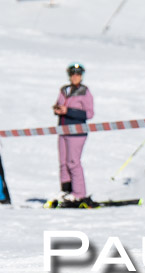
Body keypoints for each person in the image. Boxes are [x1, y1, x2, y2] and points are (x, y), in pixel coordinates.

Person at [53, 63, 95, 207]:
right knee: (63, 163)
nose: (75, 77)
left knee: (73, 162)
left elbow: (89, 113)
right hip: (63, 130)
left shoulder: (84, 91)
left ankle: (79, 193)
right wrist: (57, 109)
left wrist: (68, 111)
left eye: (78, 74)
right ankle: (66, 190)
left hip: (76, 132)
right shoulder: (64, 90)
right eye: (73, 74)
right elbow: (59, 105)